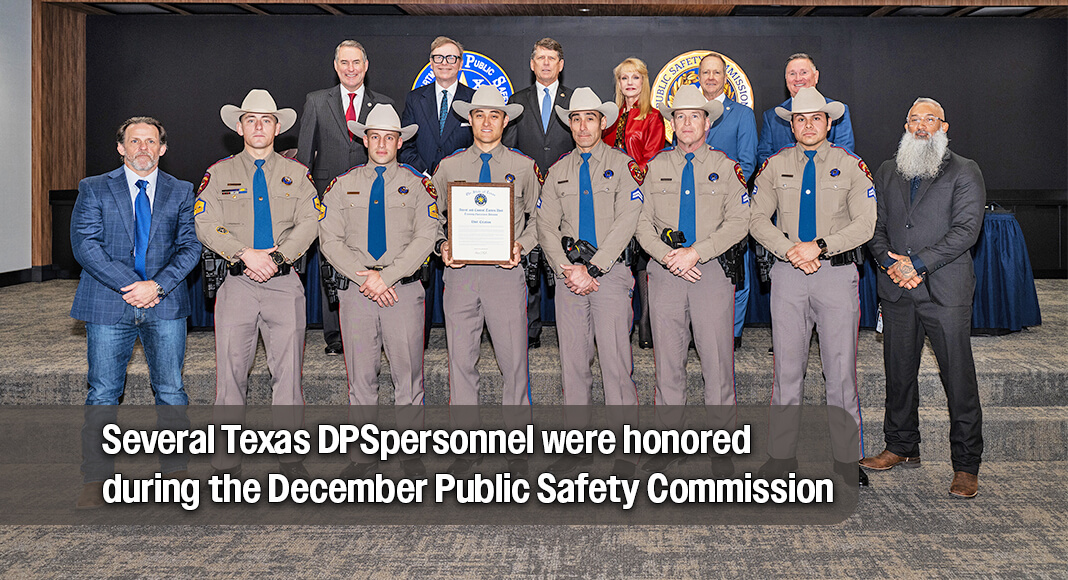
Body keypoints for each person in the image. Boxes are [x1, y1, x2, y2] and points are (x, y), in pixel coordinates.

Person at [71, 116, 201, 508]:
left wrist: (156, 286)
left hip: (165, 302)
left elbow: (190, 247)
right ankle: (96, 479)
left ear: (162, 148)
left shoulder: (181, 191)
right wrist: (132, 286)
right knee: (104, 393)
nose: (143, 148)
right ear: (120, 147)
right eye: (134, 141)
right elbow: (85, 245)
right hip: (110, 302)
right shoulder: (93, 188)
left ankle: (177, 474)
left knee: (171, 391)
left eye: (151, 142)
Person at [749, 87, 875, 487]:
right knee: (787, 370)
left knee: (840, 373)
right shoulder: (773, 166)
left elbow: (865, 224)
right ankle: (781, 456)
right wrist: (791, 250)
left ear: (829, 122)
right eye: (800, 119)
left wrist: (819, 247)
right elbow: (755, 218)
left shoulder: (852, 166)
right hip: (788, 277)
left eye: (816, 118)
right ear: (791, 125)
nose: (808, 125)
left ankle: (845, 459)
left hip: (836, 276)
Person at [194, 89, 320, 479]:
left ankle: (290, 456)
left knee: (288, 375)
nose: (259, 126)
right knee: (230, 372)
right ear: (239, 126)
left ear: (278, 127)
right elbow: (204, 221)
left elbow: (310, 223)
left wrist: (277, 257)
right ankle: (227, 457)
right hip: (238, 284)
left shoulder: (298, 174)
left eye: (266, 120)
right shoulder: (218, 174)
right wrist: (244, 254)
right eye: (251, 119)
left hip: (284, 285)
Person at [863, 97, 985, 498]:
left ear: (943, 127)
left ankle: (966, 465)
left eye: (929, 119)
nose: (920, 126)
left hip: (944, 291)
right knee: (899, 375)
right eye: (913, 119)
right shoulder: (886, 170)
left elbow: (967, 230)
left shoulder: (965, 170)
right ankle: (901, 446)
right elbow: (875, 226)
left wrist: (917, 263)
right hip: (897, 290)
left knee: (958, 378)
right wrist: (890, 263)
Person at [318, 103, 440, 479]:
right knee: (361, 378)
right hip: (357, 292)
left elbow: (427, 236)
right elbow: (329, 239)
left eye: (390, 137)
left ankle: (410, 456)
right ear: (364, 139)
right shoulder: (341, 184)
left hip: (402, 290)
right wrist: (366, 278)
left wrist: (386, 276)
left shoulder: (420, 185)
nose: (382, 143)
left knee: (409, 376)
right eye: (375, 136)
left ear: (400, 142)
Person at [432, 85, 541, 476]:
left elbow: (538, 221)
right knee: (461, 361)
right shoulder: (448, 167)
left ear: (505, 121)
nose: (487, 122)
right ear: (470, 120)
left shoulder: (525, 167)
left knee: (514, 362)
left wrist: (521, 247)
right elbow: (430, 219)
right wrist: (442, 244)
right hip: (459, 276)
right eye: (480, 115)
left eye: (494, 115)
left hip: (504, 274)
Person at [536, 87, 643, 476]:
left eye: (590, 118)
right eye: (576, 118)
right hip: (569, 279)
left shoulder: (623, 165)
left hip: (610, 276)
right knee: (573, 363)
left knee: (616, 364)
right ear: (570, 123)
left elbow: (627, 221)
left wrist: (593, 268)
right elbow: (545, 225)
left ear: (603, 122)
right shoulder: (558, 171)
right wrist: (567, 268)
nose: (583, 125)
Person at [296, 39, 395, 356]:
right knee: (333, 262)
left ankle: (376, 328)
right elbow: (303, 158)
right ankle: (335, 334)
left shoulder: (384, 104)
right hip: (331, 197)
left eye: (356, 63)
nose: (350, 69)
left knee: (374, 257)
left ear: (366, 67)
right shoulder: (315, 101)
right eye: (344, 63)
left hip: (375, 195)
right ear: (336, 66)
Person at [399, 36, 475, 348]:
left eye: (451, 58)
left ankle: (466, 334)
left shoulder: (474, 98)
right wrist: (428, 175)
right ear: (431, 62)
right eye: (438, 58)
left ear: (461, 63)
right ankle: (423, 334)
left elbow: (480, 143)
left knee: (460, 259)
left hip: (463, 191)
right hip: (424, 187)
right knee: (424, 257)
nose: (444, 63)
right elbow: (406, 143)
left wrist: (453, 175)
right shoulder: (415, 99)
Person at [504, 37, 575, 349]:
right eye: (540, 58)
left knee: (566, 261)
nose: (546, 63)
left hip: (567, 195)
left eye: (552, 58)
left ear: (560, 65)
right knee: (529, 263)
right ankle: (529, 331)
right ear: (532, 64)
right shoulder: (516, 101)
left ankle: (569, 328)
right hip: (528, 196)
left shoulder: (576, 101)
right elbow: (509, 150)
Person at [601, 57, 665, 349]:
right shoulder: (608, 117)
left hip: (638, 196)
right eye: (624, 78)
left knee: (642, 263)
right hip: (609, 198)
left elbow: (651, 160)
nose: (629, 83)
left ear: (643, 81)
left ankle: (647, 328)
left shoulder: (652, 117)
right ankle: (613, 327)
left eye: (635, 78)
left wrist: (627, 177)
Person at [697, 52, 759, 350]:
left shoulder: (743, 115)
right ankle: (700, 331)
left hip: (730, 205)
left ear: (725, 78)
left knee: (736, 271)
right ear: (698, 77)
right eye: (706, 72)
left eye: (716, 73)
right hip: (693, 208)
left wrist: (720, 196)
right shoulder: (689, 112)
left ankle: (732, 334)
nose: (711, 77)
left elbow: (747, 163)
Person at [756, 53, 855, 168]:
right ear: (786, 79)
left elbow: (844, 154)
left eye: (804, 72)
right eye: (792, 73)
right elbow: (764, 157)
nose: (798, 78)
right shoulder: (771, 117)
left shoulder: (838, 111)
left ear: (816, 76)